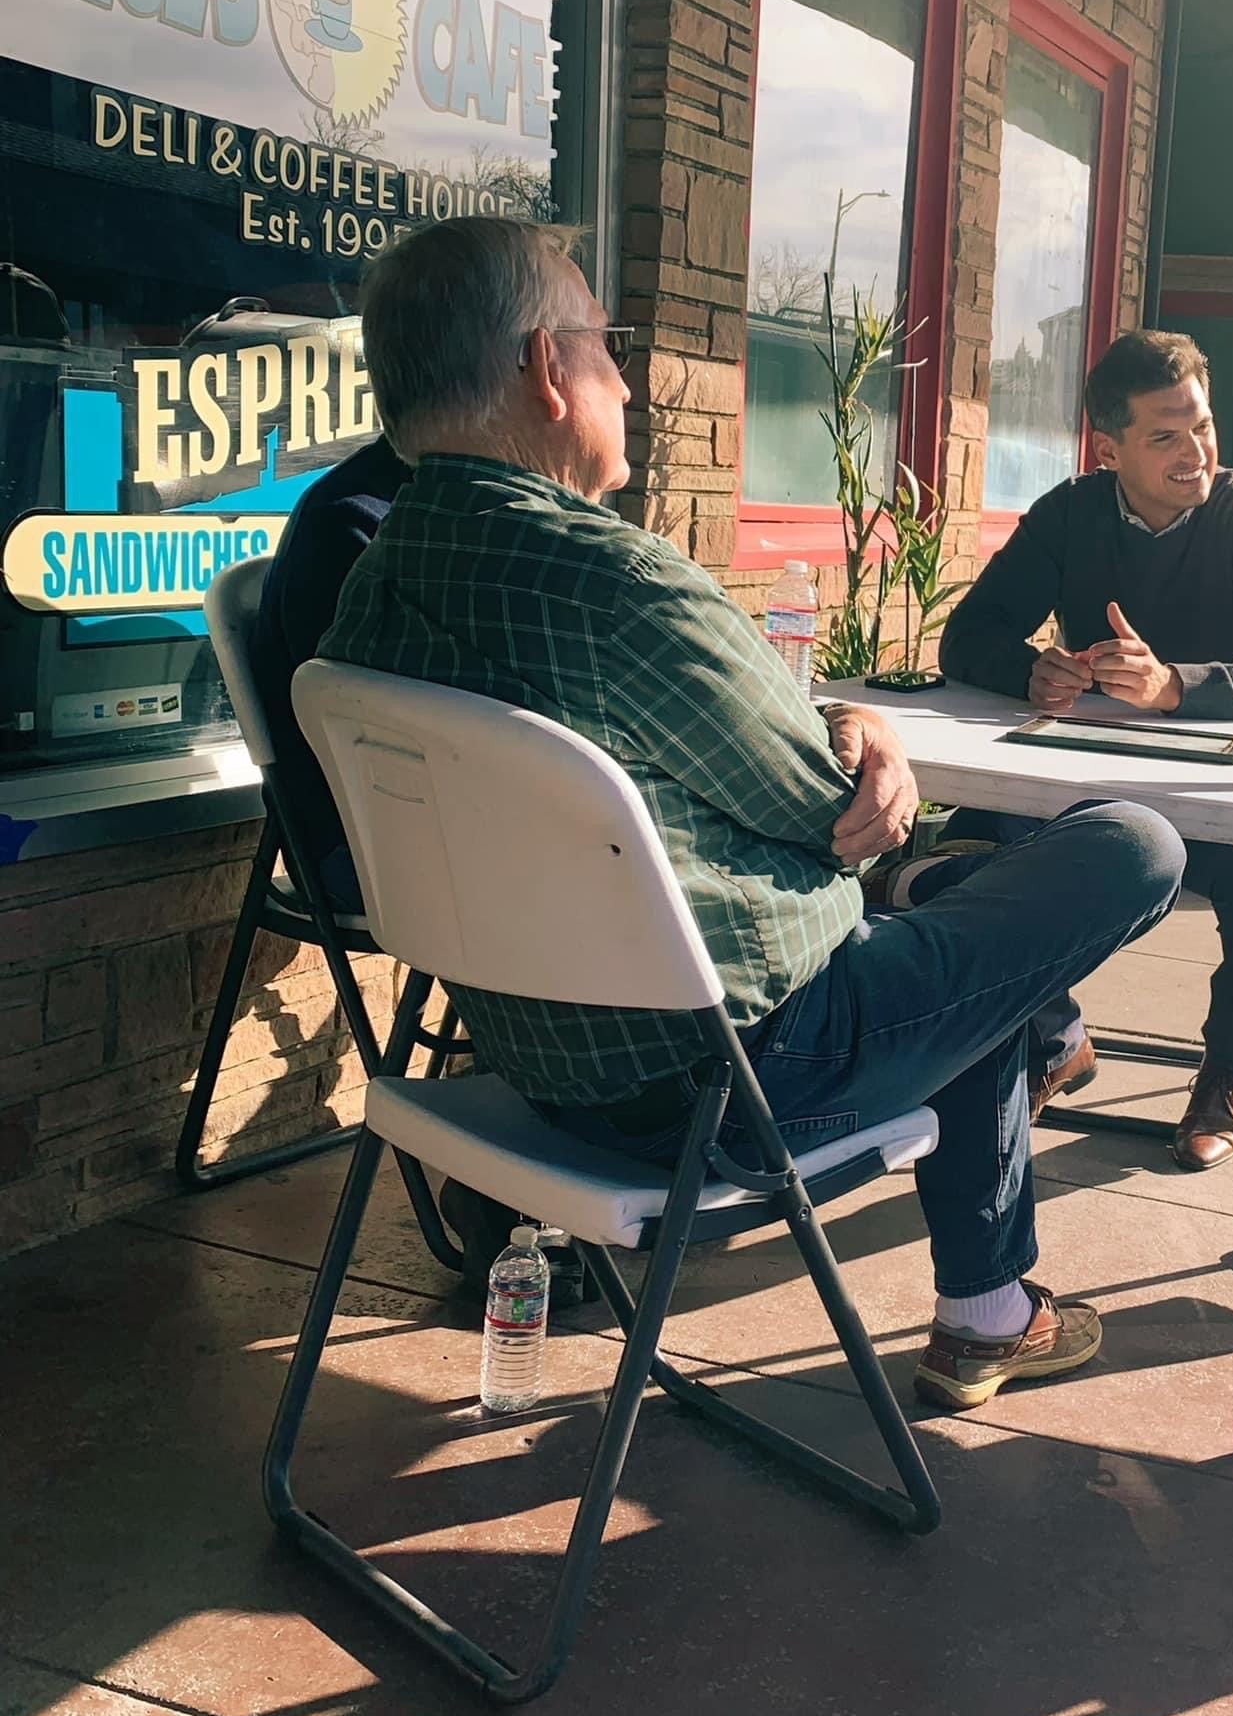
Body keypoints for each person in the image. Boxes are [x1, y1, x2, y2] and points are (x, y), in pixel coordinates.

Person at [318, 216, 1186, 1408]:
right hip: (740, 1077)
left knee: (968, 942)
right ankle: (988, 1301)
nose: (623, 375)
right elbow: (838, 811)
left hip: (531, 1064)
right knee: (1126, 845)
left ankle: (988, 1309)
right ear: (542, 369)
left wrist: (847, 745)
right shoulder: (611, 581)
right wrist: (870, 733)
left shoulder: (367, 590)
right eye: (604, 344)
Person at [938, 330, 1233, 1169]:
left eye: (1203, 425)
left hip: (1226, 804)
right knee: (964, 849)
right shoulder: (1071, 513)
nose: (1197, 454)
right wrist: (1030, 672)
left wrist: (1175, 685)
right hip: (1096, 795)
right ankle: (1053, 1041)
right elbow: (970, 637)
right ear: (1109, 448)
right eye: (1166, 436)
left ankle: (1232, 1067)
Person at [251, 434, 407, 911]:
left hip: (427, 834)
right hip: (353, 855)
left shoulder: (438, 507)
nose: (625, 389)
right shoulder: (355, 519)